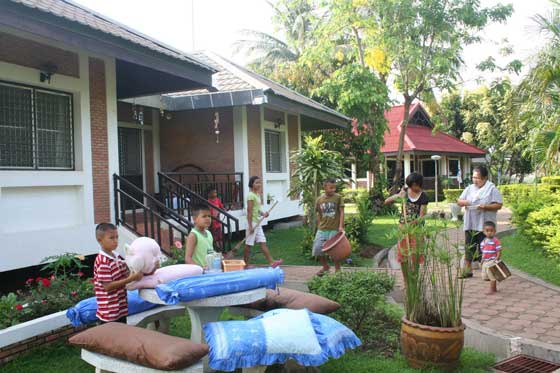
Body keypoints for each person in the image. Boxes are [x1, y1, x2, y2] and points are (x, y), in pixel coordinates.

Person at [457, 165, 503, 278]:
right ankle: (468, 270)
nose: (475, 180)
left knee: (486, 248)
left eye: (478, 178)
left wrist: (485, 207)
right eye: (473, 177)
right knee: (469, 246)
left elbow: (499, 205)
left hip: (485, 224)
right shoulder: (469, 188)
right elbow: (459, 200)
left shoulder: (491, 188)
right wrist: (465, 202)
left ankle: (488, 272)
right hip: (471, 223)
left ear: (485, 178)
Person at [94, 223, 143, 324]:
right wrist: (131, 278)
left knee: (121, 336)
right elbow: (108, 286)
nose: (116, 241)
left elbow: (127, 273)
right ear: (100, 240)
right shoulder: (103, 261)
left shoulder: (117, 257)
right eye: (111, 238)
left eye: (117, 237)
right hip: (109, 313)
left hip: (120, 309)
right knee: (112, 339)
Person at [385, 172, 429, 263]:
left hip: (416, 229)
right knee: (403, 254)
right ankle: (406, 276)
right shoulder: (404, 191)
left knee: (416, 253)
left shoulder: (424, 197)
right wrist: (398, 196)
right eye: (410, 186)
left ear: (419, 184)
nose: (412, 188)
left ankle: (414, 275)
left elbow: (421, 217)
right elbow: (387, 201)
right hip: (403, 228)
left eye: (414, 185)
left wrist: (410, 225)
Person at [245, 176, 283, 268]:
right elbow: (249, 211)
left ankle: (272, 262)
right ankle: (245, 265)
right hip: (252, 223)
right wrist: (250, 226)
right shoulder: (250, 195)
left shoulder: (257, 195)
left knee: (262, 242)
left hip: (257, 223)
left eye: (259, 182)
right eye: (256, 183)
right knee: (248, 245)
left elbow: (256, 209)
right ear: (251, 184)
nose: (259, 184)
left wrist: (263, 213)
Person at [313, 178, 345, 276]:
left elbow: (342, 212)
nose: (333, 190)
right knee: (317, 249)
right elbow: (318, 213)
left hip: (334, 229)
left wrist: (341, 226)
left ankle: (338, 269)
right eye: (331, 187)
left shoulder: (338, 197)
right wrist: (319, 225)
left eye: (334, 187)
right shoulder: (319, 200)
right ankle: (325, 267)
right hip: (322, 229)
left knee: (334, 252)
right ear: (325, 187)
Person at [480, 221, 503, 294]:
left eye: (491, 231)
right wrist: (482, 260)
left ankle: (492, 289)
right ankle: (493, 286)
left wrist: (497, 258)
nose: (489, 232)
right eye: (487, 231)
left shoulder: (495, 241)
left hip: (492, 260)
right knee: (484, 276)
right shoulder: (483, 241)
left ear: (495, 231)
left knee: (491, 274)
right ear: (483, 232)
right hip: (485, 261)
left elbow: (499, 250)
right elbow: (483, 251)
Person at [207, 187, 225, 251]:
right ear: (209, 194)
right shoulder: (208, 202)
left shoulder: (217, 200)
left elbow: (222, 207)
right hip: (211, 222)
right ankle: (217, 248)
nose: (215, 193)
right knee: (214, 237)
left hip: (218, 221)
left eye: (216, 192)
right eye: (214, 192)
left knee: (220, 235)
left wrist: (224, 210)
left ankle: (221, 248)